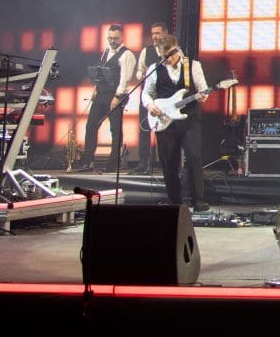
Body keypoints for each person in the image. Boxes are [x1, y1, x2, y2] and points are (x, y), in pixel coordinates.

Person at [143, 35, 211, 212]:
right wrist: (150, 105)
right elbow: (146, 93)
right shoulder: (154, 69)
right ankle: (175, 200)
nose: (168, 59)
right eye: (164, 56)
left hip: (189, 119)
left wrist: (203, 96)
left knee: (193, 156)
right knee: (168, 160)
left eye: (170, 55)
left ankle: (198, 200)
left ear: (177, 49)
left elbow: (203, 89)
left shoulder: (193, 66)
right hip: (165, 120)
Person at [74, 23, 137, 172]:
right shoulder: (106, 51)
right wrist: (96, 89)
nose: (112, 41)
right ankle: (88, 161)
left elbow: (125, 78)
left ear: (122, 37)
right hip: (101, 93)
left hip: (115, 95)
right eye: (110, 38)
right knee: (91, 125)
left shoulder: (127, 54)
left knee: (115, 130)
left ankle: (113, 163)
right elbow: (101, 73)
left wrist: (117, 96)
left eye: (115, 38)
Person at [133, 21, 169, 173]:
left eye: (158, 33)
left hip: (165, 95)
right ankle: (143, 163)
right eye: (153, 33)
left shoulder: (172, 50)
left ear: (165, 34)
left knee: (164, 129)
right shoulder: (146, 51)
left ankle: (165, 162)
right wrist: (142, 74)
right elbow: (139, 71)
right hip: (148, 95)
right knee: (144, 128)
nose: (154, 36)